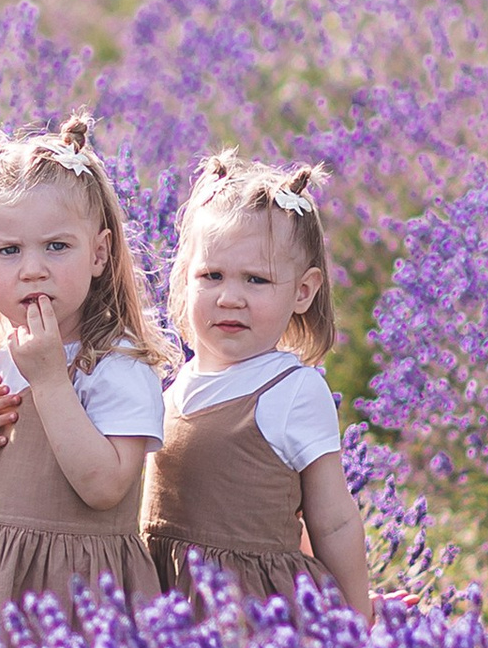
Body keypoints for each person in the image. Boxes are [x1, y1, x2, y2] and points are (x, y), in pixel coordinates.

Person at [0, 119, 172, 635]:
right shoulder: (3, 357)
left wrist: (51, 382)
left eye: (57, 247)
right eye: (8, 251)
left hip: (78, 598)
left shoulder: (116, 364)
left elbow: (105, 487)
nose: (32, 269)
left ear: (99, 253)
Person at [144, 153, 372, 621]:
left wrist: (357, 616)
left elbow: (333, 520)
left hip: (251, 614)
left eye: (256, 279)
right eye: (212, 276)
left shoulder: (292, 391)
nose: (230, 297)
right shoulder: (173, 387)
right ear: (185, 280)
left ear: (302, 292)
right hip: (166, 602)